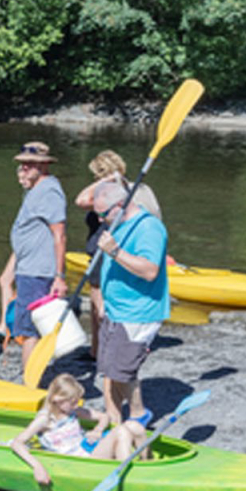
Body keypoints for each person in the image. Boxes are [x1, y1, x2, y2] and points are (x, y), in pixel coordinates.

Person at [93, 178, 169, 426]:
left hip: (138, 312)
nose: (100, 220)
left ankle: (138, 414)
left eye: (103, 214)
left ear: (120, 205)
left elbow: (149, 271)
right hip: (116, 309)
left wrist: (115, 251)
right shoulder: (119, 223)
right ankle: (113, 422)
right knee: (107, 370)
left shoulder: (149, 229)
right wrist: (104, 298)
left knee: (121, 371)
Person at [74, 150, 163, 360]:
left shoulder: (109, 193)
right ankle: (100, 348)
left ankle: (100, 350)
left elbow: (80, 200)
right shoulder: (134, 189)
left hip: (104, 252)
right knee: (104, 304)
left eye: (95, 175)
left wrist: (105, 181)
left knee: (100, 307)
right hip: (113, 251)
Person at [0, 141, 67, 377]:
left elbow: (59, 235)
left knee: (30, 331)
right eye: (22, 165)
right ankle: (31, 377)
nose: (23, 170)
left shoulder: (49, 191)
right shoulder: (35, 190)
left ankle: (29, 383)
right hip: (28, 269)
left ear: (44, 166)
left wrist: (59, 276)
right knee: (28, 329)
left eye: (29, 166)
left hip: (38, 272)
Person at [11, 373, 147, 486]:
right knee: (121, 431)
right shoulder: (45, 419)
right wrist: (37, 467)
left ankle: (147, 467)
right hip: (79, 463)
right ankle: (128, 479)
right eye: (73, 402)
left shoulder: (73, 411)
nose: (77, 405)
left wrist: (98, 430)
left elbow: (104, 417)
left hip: (88, 449)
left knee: (136, 427)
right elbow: (17, 443)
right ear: (57, 399)